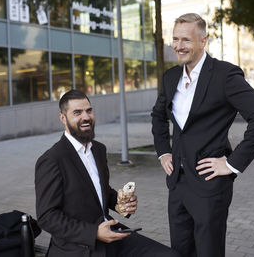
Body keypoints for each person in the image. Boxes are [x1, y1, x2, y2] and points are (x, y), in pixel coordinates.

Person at [151, 13, 254, 257]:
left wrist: (231, 164)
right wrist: (163, 151)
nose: (179, 46)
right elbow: (158, 116)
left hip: (209, 185)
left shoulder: (225, 75)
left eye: (186, 40)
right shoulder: (170, 77)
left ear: (203, 41)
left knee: (209, 251)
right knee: (179, 251)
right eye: (175, 39)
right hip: (177, 184)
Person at [35, 89, 180, 257]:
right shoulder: (51, 160)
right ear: (63, 118)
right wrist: (94, 232)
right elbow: (47, 217)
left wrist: (120, 202)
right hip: (79, 246)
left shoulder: (98, 149)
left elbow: (98, 191)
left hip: (111, 233)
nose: (86, 117)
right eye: (77, 112)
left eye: (89, 110)